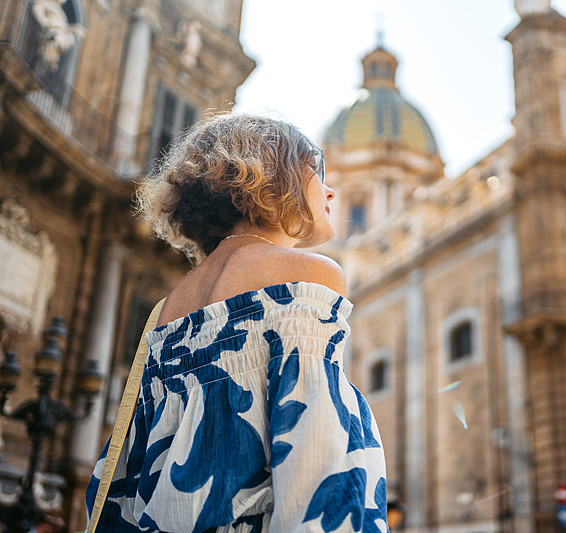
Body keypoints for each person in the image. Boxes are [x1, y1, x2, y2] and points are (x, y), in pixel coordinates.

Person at [85, 114, 388, 532]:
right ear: (273, 175)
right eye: (317, 169)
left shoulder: (166, 309)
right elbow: (320, 468)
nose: (331, 189)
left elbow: (123, 476)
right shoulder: (311, 276)